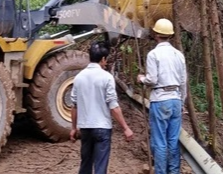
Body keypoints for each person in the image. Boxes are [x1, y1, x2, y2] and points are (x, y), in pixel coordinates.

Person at [70, 41, 134, 174]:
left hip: (85, 128)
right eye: (106, 59)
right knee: (100, 167)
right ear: (103, 59)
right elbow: (113, 106)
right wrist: (125, 128)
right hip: (102, 128)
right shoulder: (107, 78)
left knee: (85, 163)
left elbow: (74, 106)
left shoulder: (78, 78)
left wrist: (73, 128)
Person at [136, 18, 187, 174]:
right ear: (170, 35)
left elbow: (152, 80)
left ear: (156, 34)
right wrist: (182, 101)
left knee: (160, 141)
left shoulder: (154, 54)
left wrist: (142, 79)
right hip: (176, 99)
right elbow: (184, 81)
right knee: (173, 140)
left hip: (160, 99)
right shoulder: (179, 55)